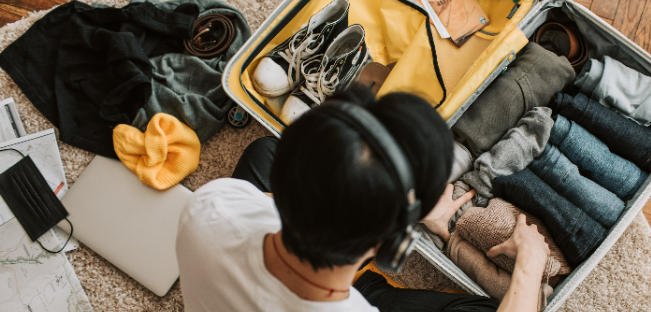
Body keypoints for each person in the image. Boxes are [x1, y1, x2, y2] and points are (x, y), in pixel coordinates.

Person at [175, 85, 550, 312]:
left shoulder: (210, 204)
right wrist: (530, 264)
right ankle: (368, 282)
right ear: (394, 246)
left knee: (262, 153)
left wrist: (383, 201)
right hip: (343, 290)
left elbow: (272, 202)